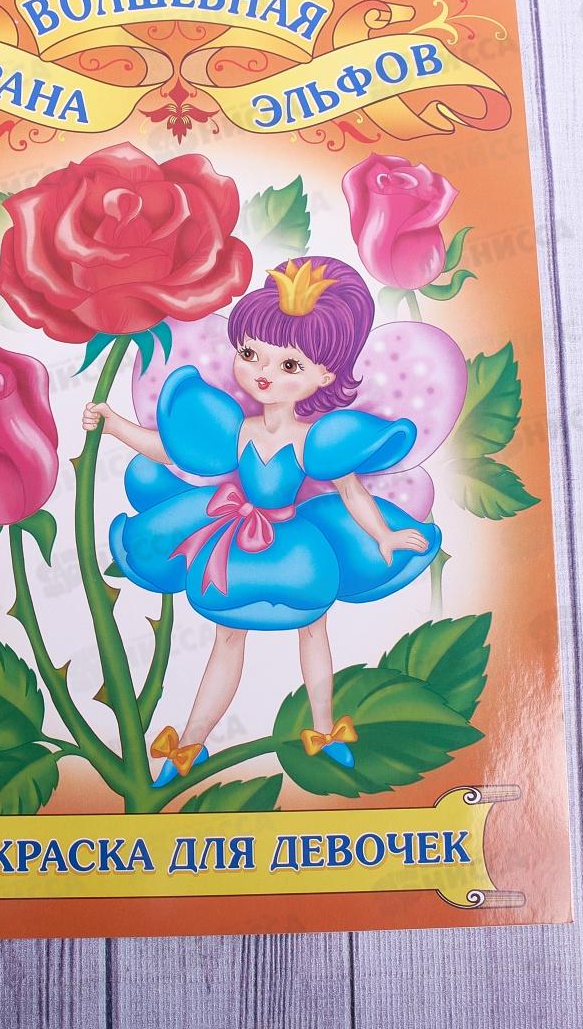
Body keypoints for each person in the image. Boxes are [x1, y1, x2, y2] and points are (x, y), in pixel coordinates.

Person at [85, 256, 441, 786]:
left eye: (289, 365)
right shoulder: (238, 429)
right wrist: (114, 424)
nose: (263, 372)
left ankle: (324, 730)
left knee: (313, 632)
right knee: (227, 639)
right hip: (235, 542)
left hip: (297, 549)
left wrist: (383, 535)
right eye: (250, 354)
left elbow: (351, 493)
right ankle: (190, 744)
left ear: (325, 376)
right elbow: (171, 452)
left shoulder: (315, 438)